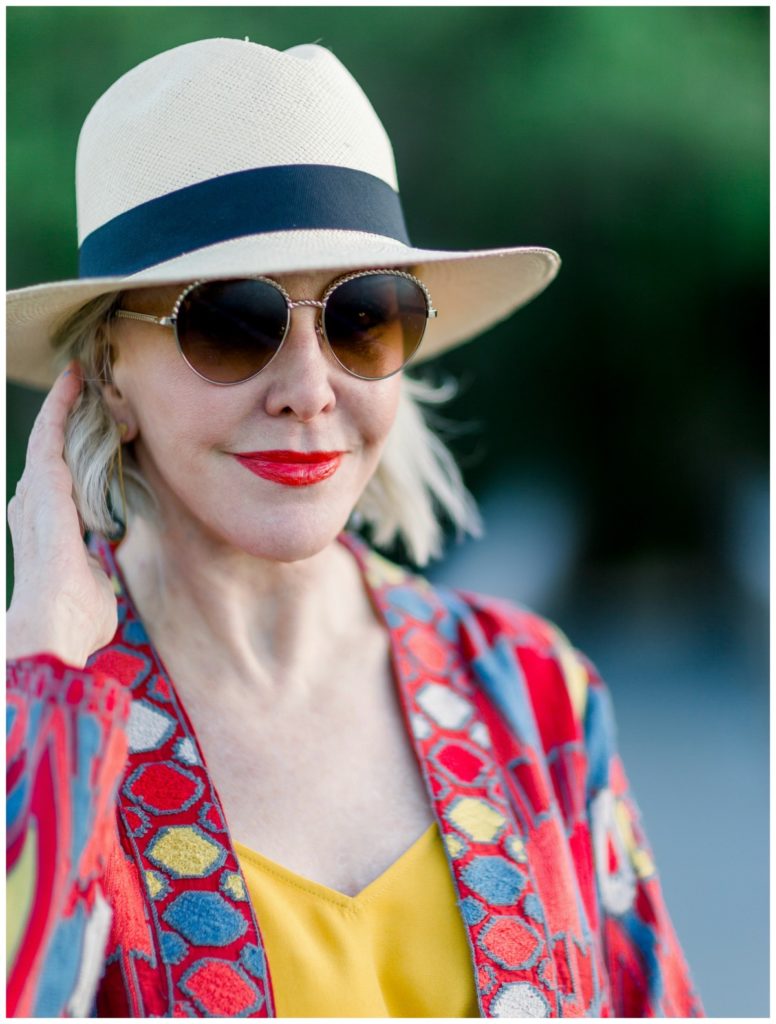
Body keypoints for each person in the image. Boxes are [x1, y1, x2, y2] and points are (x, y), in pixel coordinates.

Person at [6, 38, 703, 1019]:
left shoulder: (539, 691)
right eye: (232, 323)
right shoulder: (37, 715)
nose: (306, 391)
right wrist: (39, 664)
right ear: (110, 376)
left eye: (362, 318)